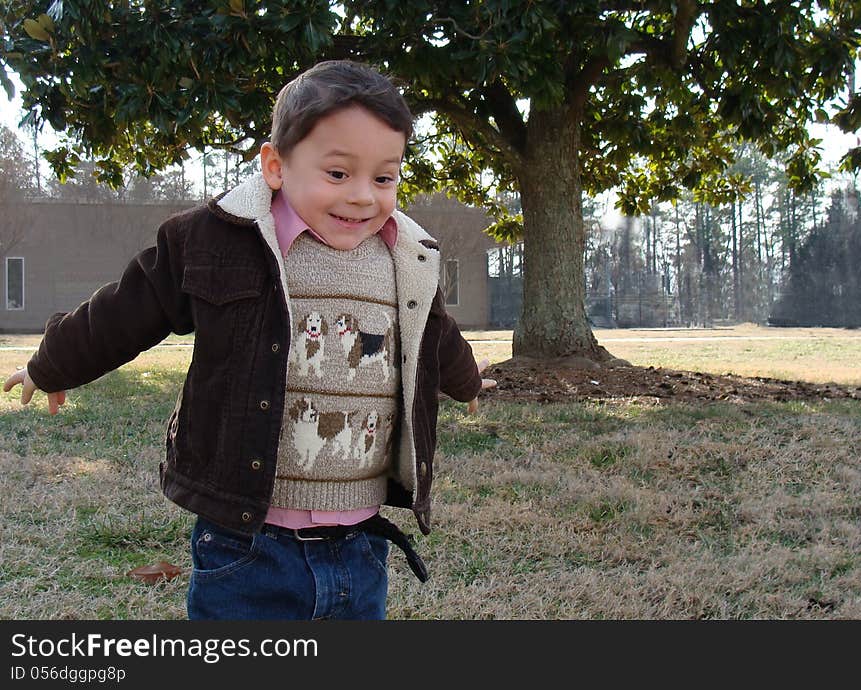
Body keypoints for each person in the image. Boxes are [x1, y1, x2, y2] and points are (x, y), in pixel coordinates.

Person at [3, 60, 495, 620]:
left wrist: (467, 379)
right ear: (275, 166)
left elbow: (434, 332)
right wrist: (51, 365)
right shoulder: (215, 240)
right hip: (248, 546)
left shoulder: (408, 256)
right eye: (337, 174)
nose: (362, 196)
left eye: (384, 178)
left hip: (362, 545)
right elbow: (127, 309)